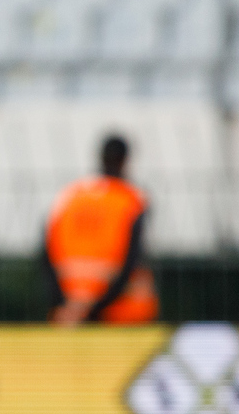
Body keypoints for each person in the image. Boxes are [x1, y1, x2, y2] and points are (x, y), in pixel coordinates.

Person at [43, 133, 159, 326]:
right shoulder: (132, 200)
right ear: (126, 160)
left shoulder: (70, 197)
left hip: (70, 314)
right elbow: (131, 261)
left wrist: (67, 305)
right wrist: (94, 307)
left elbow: (46, 256)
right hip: (123, 315)